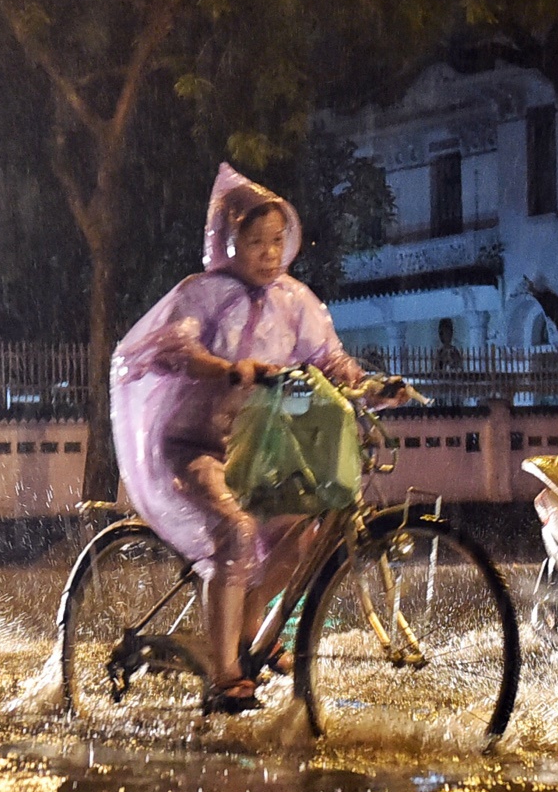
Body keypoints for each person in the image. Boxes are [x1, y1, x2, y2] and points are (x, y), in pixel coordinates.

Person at [112, 163, 372, 712]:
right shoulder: (201, 295)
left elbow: (326, 360)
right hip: (186, 447)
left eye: (278, 240)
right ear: (228, 243)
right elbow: (177, 349)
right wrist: (228, 369)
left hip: (253, 451)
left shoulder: (295, 300)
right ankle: (224, 677)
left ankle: (253, 637)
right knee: (235, 531)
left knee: (303, 528)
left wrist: (369, 384)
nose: (269, 253)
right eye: (255, 242)